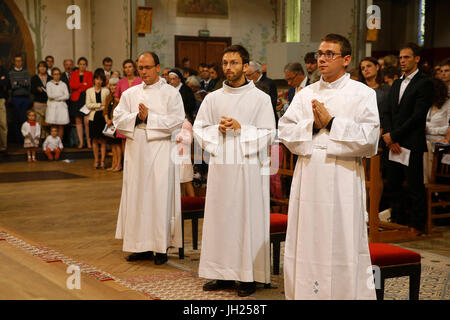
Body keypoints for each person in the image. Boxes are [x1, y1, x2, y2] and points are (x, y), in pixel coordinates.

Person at [278, 34, 379, 300]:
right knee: (307, 238)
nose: (321, 58)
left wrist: (332, 123)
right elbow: (285, 130)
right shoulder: (306, 94)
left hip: (342, 175)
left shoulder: (363, 93)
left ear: (346, 60)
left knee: (342, 239)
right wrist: (312, 125)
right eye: (319, 53)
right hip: (310, 172)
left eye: (329, 54)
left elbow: (370, 140)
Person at [193, 44, 276, 297]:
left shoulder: (261, 98)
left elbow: (269, 133)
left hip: (249, 169)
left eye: (234, 62)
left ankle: (248, 276)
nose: (229, 67)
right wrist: (216, 131)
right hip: (221, 168)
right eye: (225, 63)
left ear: (246, 66)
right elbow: (199, 128)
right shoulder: (213, 98)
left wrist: (241, 128)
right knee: (220, 219)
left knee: (245, 218)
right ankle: (221, 273)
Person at [113, 51, 185, 265]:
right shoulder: (130, 94)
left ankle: (160, 247)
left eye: (147, 67)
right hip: (137, 150)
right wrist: (137, 117)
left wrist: (150, 118)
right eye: (140, 68)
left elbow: (177, 122)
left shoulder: (171, 93)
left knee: (158, 197)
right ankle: (139, 246)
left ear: (157, 67)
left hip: (161, 150)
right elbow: (118, 118)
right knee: (137, 197)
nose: (143, 71)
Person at [382, 42, 433, 233]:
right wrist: (389, 136)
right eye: (400, 57)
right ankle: (398, 221)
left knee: (414, 185)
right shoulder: (396, 83)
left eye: (407, 57)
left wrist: (394, 135)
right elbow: (387, 112)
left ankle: (417, 225)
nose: (402, 61)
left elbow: (417, 116)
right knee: (393, 184)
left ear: (417, 59)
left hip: (411, 142)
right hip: (393, 143)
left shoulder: (424, 83)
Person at [168, 68, 196, 197]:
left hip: (183, 157)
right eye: (170, 79)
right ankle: (181, 203)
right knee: (178, 182)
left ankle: (192, 201)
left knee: (186, 181)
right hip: (175, 156)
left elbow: (188, 139)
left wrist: (175, 137)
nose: (172, 81)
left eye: (174, 79)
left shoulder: (186, 124)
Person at [423, 78, 450, 183]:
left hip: (441, 142)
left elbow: (448, 127)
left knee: (426, 145)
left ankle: (427, 183)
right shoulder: (427, 104)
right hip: (424, 138)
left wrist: (429, 129)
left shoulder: (448, 104)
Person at [86, 69, 109, 169]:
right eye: (97, 79)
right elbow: (88, 105)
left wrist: (100, 106)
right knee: (94, 140)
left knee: (103, 140)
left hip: (103, 116)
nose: (98, 81)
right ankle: (96, 160)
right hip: (93, 117)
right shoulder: (89, 91)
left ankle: (103, 161)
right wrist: (100, 105)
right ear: (94, 80)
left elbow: (107, 105)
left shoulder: (106, 90)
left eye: (100, 79)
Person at [359, 57, 390, 128]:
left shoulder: (387, 89)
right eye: (363, 68)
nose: (366, 69)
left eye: (369, 66)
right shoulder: (359, 89)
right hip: (362, 128)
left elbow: (388, 113)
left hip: (383, 128)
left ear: (377, 67)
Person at [70, 57, 93, 149]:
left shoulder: (89, 73)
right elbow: (72, 85)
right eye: (80, 64)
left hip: (86, 98)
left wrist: (79, 86)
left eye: (84, 64)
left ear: (86, 65)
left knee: (86, 122)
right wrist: (82, 84)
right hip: (76, 99)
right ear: (78, 65)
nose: (82, 66)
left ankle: (88, 142)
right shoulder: (74, 74)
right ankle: (81, 142)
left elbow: (89, 85)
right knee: (78, 121)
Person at [246, 61, 278, 125]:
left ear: (258, 72)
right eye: (245, 75)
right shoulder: (246, 84)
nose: (246, 78)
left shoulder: (269, 83)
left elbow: (272, 103)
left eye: (249, 75)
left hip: (267, 119)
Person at [9, 54, 31, 143]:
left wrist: (17, 82)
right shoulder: (11, 73)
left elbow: (28, 84)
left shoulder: (26, 72)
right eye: (17, 61)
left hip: (25, 98)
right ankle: (18, 139)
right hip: (16, 98)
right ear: (14, 62)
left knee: (24, 119)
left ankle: (25, 138)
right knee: (16, 119)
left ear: (22, 62)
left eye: (20, 61)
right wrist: (22, 82)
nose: (19, 62)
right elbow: (12, 85)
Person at [103, 77, 122, 172]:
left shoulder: (120, 97)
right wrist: (107, 119)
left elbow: (120, 111)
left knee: (118, 146)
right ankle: (113, 164)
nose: (113, 87)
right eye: (111, 85)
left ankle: (118, 164)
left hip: (117, 124)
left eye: (115, 85)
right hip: (109, 124)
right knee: (112, 146)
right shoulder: (108, 96)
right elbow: (105, 110)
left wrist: (112, 120)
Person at [46, 67, 70, 138]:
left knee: (61, 125)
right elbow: (50, 95)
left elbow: (67, 96)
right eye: (55, 74)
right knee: (54, 125)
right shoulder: (49, 84)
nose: (57, 76)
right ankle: (53, 142)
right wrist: (60, 96)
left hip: (62, 107)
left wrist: (56, 98)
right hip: (52, 106)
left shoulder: (63, 84)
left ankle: (59, 143)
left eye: (58, 74)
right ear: (52, 75)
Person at [31, 61, 52, 131]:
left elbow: (51, 91)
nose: (42, 68)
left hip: (48, 103)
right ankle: (38, 140)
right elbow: (32, 90)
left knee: (48, 124)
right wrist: (39, 90)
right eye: (40, 66)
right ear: (38, 68)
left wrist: (41, 90)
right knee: (38, 124)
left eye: (44, 66)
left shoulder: (50, 78)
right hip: (38, 103)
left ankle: (47, 140)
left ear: (46, 68)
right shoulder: (34, 78)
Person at [0, 64, 8, 152]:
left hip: (0, 99)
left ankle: (3, 147)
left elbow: (5, 82)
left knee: (3, 124)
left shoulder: (2, 69)